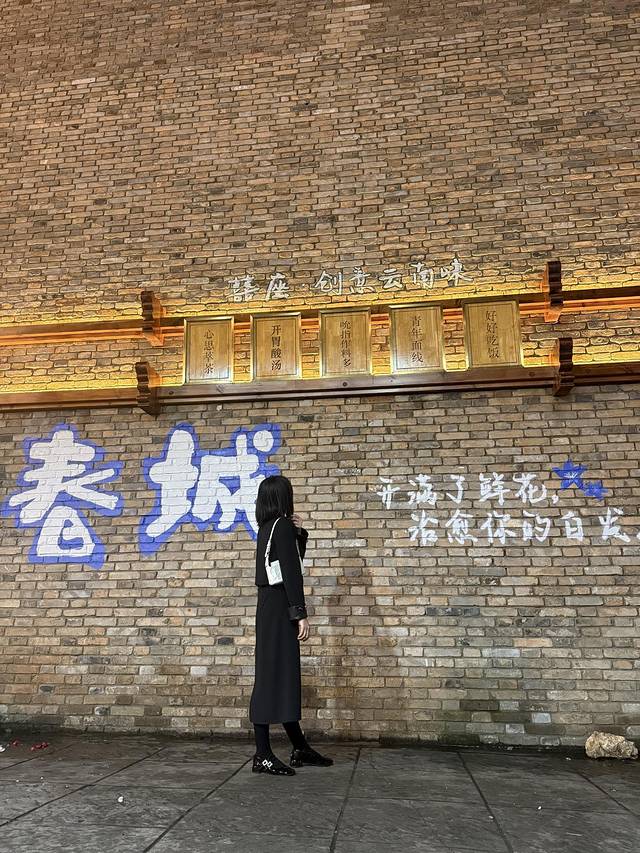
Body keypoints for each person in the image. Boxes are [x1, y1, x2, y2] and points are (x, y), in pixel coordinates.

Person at [249, 474, 333, 775]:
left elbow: (288, 562)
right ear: (284, 497)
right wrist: (299, 613)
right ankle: (262, 754)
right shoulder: (280, 526)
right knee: (272, 678)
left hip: (269, 606)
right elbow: (291, 573)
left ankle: (299, 746)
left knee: (281, 676)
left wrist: (299, 534)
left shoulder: (267, 527)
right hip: (280, 606)